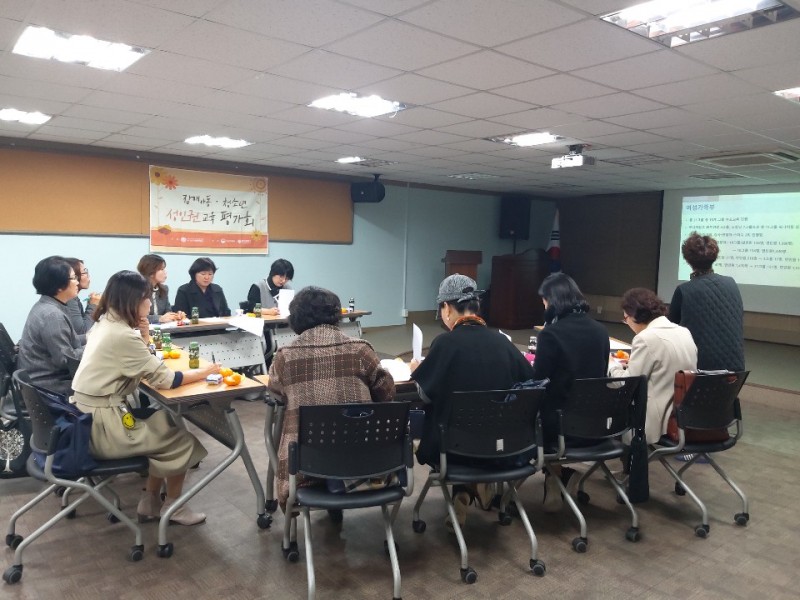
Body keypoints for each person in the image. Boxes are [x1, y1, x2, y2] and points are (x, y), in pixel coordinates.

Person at [71, 270, 220, 526]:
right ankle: (174, 508)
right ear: (133, 300)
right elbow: (166, 379)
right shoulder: (122, 335)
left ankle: (150, 502)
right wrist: (205, 372)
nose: (150, 303)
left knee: (164, 422)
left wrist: (144, 336)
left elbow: (140, 362)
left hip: (87, 417)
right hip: (104, 427)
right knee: (181, 441)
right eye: (147, 298)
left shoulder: (105, 323)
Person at [410, 274, 535, 529]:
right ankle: (475, 486)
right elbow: (529, 385)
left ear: (447, 308)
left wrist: (416, 371)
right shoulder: (502, 342)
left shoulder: (445, 343)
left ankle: (466, 488)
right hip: (503, 446)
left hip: (453, 449)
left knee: (443, 423)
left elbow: (424, 394)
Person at [267, 286, 394, 509]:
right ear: (336, 315)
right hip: (363, 461)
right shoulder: (360, 350)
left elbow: (276, 393)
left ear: (295, 319)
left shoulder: (285, 356)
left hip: (305, 467)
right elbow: (387, 393)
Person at [532, 273, 610, 512]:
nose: (543, 305)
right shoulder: (601, 331)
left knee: (532, 410)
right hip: (595, 424)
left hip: (560, 427)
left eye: (544, 300)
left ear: (552, 301)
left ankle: (553, 476)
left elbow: (538, 382)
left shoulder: (550, 334)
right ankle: (563, 474)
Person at [608, 288, 697, 444]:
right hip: (685, 416)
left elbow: (627, 384)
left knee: (605, 407)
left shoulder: (645, 338)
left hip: (656, 421)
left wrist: (612, 366)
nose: (626, 323)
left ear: (634, 315)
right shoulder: (684, 332)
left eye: (625, 318)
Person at [669, 232, 745, 372]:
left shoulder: (684, 290)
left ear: (687, 260)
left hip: (698, 370)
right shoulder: (731, 283)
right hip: (736, 370)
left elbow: (670, 329)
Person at [17, 256, 85, 397]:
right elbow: (66, 360)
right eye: (74, 278)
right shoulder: (52, 315)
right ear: (59, 286)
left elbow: (67, 341)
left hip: (44, 380)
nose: (77, 282)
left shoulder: (47, 305)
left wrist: (90, 338)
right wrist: (95, 346)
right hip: (51, 388)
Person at [136, 253, 185, 324]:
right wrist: (159, 318)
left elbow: (168, 312)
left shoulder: (164, 289)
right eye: (162, 269)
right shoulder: (138, 290)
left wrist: (175, 315)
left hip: (163, 328)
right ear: (151, 272)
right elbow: (137, 317)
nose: (165, 272)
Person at [63, 257, 101, 339]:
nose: (88, 276)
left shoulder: (74, 298)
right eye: (84, 272)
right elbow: (82, 332)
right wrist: (93, 305)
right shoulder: (70, 299)